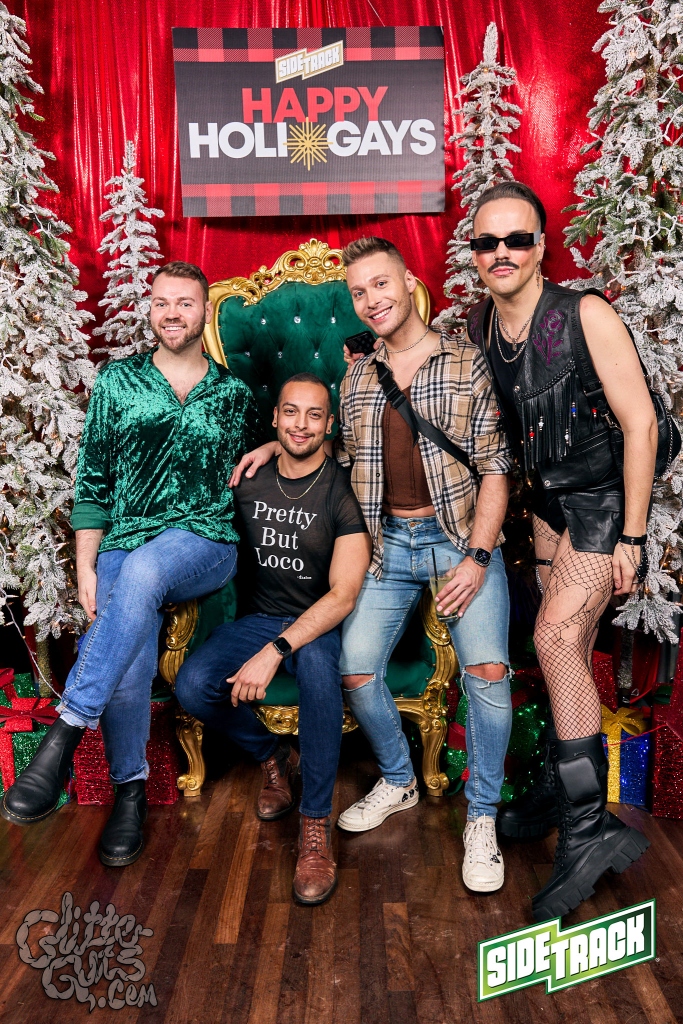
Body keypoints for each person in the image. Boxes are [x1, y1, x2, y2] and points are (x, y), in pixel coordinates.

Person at [231, 237, 515, 894]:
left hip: (457, 540)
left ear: (408, 282)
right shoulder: (357, 377)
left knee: (488, 674)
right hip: (386, 546)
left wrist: (477, 557)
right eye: (359, 292)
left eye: (380, 285)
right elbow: (336, 453)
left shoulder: (463, 361)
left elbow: (496, 467)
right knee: (355, 668)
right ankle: (397, 778)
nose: (371, 301)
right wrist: (275, 444)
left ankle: (481, 817)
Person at [1, 261, 258, 868]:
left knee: (142, 572)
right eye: (162, 302)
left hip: (204, 540)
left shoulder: (234, 394)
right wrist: (87, 568)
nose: (173, 313)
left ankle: (65, 730)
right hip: (127, 536)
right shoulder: (118, 382)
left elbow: (272, 456)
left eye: (186, 302)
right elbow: (92, 480)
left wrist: (272, 443)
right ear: (150, 309)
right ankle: (130, 792)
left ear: (205, 312)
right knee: (131, 654)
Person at [465, 181, 654, 920]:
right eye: (487, 242)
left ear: (541, 246)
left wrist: (632, 536)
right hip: (548, 506)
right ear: (474, 253)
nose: (502, 253)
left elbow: (639, 424)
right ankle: (558, 788)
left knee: (553, 636)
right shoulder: (482, 324)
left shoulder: (584, 314)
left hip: (601, 503)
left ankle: (588, 828)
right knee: (562, 650)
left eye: (517, 239)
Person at [175, 373, 370, 906]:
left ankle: (315, 825)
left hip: (316, 622)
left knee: (319, 675)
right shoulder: (249, 477)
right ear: (275, 417)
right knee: (192, 686)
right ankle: (272, 757)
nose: (300, 425)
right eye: (291, 412)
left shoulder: (342, 490)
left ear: (329, 425)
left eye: (314, 414)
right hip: (259, 618)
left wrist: (276, 650)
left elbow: (344, 595)